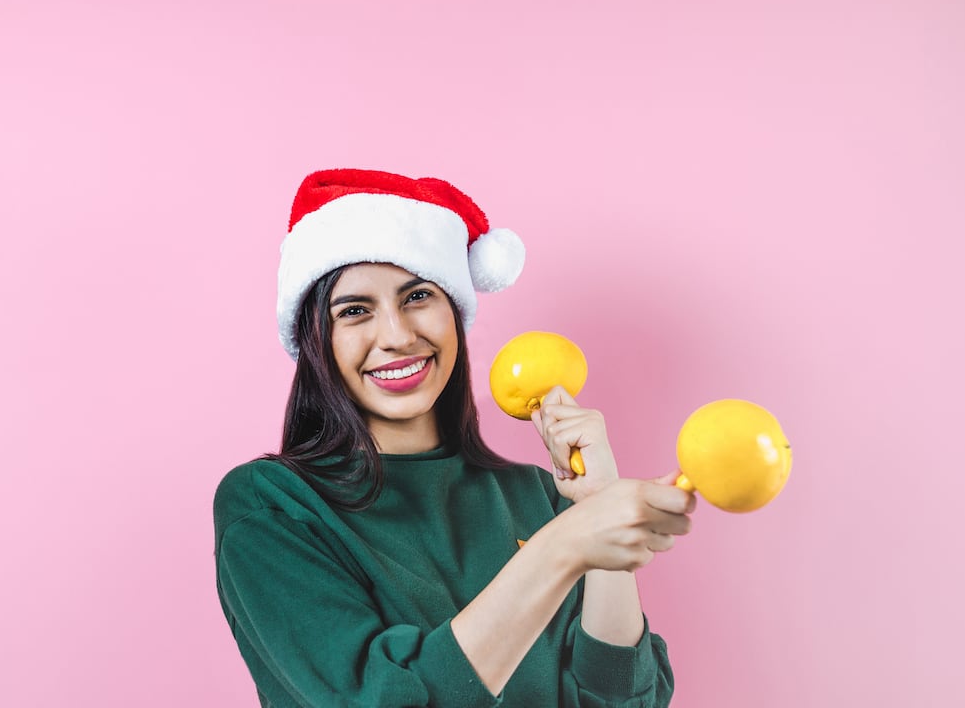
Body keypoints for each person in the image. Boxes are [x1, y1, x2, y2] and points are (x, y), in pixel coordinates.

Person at [213, 168, 696, 707]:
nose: (397, 336)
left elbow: (623, 701)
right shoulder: (272, 507)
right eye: (354, 311)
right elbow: (382, 699)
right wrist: (562, 549)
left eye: (417, 296)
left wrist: (601, 514)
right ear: (316, 341)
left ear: (455, 312)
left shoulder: (538, 496)